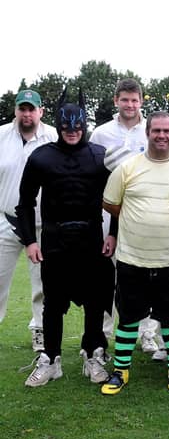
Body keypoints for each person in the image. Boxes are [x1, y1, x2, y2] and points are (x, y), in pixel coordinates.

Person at [16, 88, 115, 387]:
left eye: (77, 127)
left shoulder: (99, 157)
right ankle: (51, 358)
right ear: (58, 127)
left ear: (84, 126)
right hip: (55, 239)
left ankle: (92, 354)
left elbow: (118, 199)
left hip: (91, 238)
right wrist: (30, 241)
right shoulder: (41, 157)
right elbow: (25, 201)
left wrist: (112, 233)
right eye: (66, 127)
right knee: (53, 303)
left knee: (96, 301)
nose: (72, 132)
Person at [100, 111, 169, 394]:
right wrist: (140, 218)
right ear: (148, 133)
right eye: (156, 130)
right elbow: (111, 204)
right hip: (132, 259)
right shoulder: (127, 168)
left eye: (167, 131)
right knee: (129, 316)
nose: (161, 135)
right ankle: (120, 371)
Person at [90, 78, 163, 358]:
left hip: (146, 214)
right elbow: (94, 175)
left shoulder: (152, 131)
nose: (130, 105)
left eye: (135, 100)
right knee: (108, 275)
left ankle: (147, 333)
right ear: (116, 101)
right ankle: (106, 332)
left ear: (141, 101)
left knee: (146, 273)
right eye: (125, 100)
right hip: (110, 213)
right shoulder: (101, 133)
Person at [0, 89, 56, 352]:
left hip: (41, 225)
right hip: (5, 220)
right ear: (16, 110)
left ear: (40, 111)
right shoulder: (1, 135)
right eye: (22, 108)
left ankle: (40, 332)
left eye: (31, 109)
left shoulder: (53, 136)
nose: (27, 113)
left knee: (42, 285)